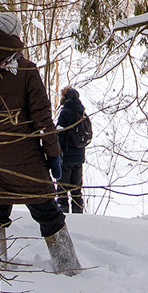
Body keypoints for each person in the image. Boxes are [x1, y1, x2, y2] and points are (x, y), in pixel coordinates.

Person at [0, 13, 81, 274]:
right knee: (48, 213)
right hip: (27, 159)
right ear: (15, 35)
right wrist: (54, 155)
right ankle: (69, 267)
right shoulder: (26, 70)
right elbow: (43, 120)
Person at [56, 86, 90, 214]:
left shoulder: (66, 113)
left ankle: (63, 214)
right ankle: (78, 214)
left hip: (66, 157)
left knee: (62, 190)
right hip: (79, 156)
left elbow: (60, 134)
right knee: (77, 190)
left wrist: (56, 152)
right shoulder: (82, 112)